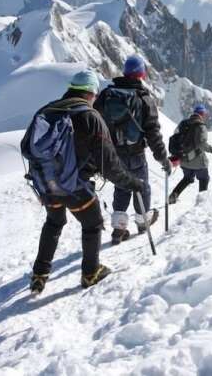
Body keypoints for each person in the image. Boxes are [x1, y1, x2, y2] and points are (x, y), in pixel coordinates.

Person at [25, 69, 145, 293]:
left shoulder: (47, 111)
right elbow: (110, 164)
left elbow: (27, 148)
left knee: (54, 222)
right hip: (75, 188)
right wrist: (132, 183)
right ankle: (90, 273)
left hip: (47, 184)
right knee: (93, 223)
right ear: (91, 93)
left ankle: (39, 275)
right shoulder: (90, 117)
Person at [94, 55, 171, 245]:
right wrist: (163, 158)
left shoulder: (106, 95)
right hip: (136, 153)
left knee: (121, 187)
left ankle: (118, 229)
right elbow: (153, 132)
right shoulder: (143, 98)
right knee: (141, 187)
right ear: (142, 74)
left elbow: (95, 123)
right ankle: (143, 222)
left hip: (114, 154)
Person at [168, 104, 212, 204]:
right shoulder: (200, 126)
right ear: (202, 114)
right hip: (198, 161)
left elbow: (175, 137)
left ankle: (173, 196)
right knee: (204, 178)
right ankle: (202, 202)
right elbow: (201, 144)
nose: (205, 116)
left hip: (183, 160)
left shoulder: (183, 123)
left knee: (187, 178)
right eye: (204, 114)